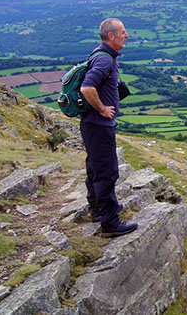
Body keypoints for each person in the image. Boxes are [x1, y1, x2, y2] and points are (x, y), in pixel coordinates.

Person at [79, 18, 137, 238]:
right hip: (99, 124)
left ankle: (98, 211)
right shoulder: (104, 60)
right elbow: (87, 87)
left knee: (95, 168)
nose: (127, 35)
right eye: (123, 32)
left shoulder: (101, 55)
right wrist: (103, 108)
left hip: (92, 124)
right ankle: (110, 223)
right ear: (111, 36)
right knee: (107, 172)